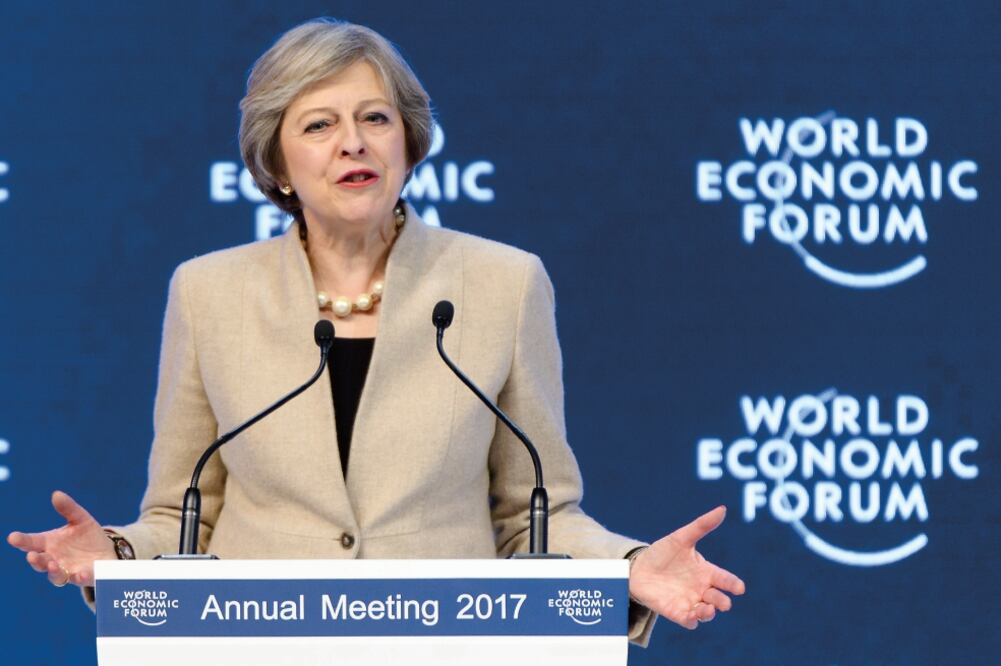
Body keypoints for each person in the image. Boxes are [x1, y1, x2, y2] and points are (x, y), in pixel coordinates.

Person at [6, 18, 744, 646]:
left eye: (375, 118)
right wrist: (119, 556)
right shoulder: (207, 293)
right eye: (319, 125)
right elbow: (183, 513)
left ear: (409, 144)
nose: (352, 142)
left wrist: (631, 569)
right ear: (277, 164)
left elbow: (536, 518)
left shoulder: (502, 284)